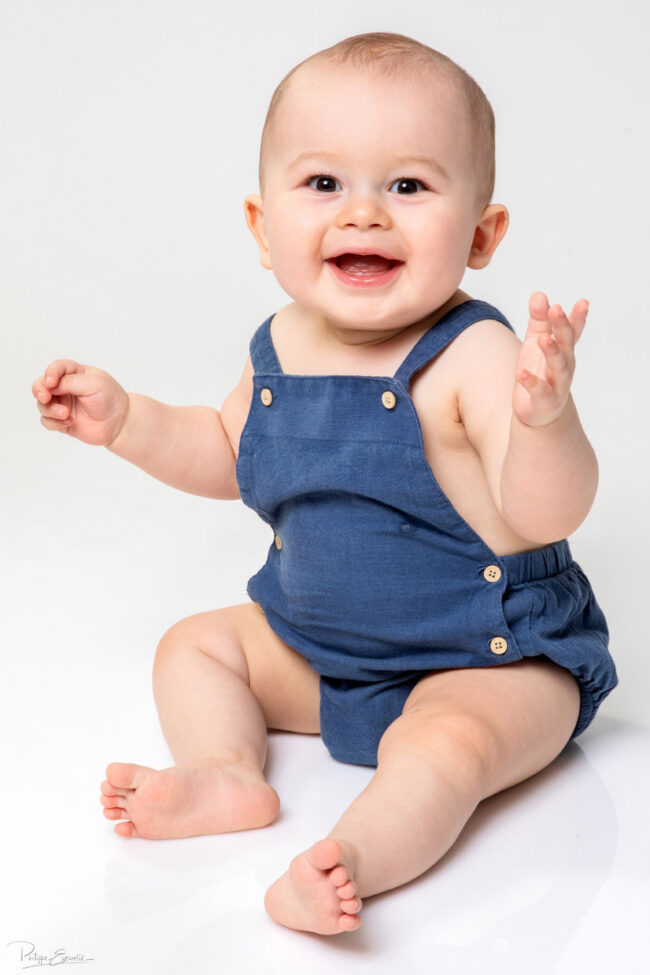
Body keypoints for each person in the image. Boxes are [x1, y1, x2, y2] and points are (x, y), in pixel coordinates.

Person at [32, 32, 617, 936]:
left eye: (409, 186)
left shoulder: (474, 353)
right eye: (323, 184)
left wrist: (547, 423)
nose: (365, 215)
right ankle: (228, 771)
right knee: (194, 645)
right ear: (265, 228)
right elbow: (229, 451)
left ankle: (350, 860)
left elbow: (548, 510)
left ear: (481, 233)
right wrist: (132, 423)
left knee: (446, 748)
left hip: (488, 658)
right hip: (319, 648)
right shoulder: (278, 347)